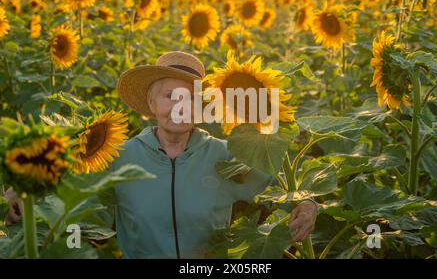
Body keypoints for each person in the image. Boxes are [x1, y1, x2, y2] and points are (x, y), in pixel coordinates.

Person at [5, 51, 318, 259]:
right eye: (170, 96)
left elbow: (281, 189)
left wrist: (307, 203)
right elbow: (65, 187)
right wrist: (21, 188)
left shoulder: (226, 156)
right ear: (151, 105)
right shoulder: (120, 157)